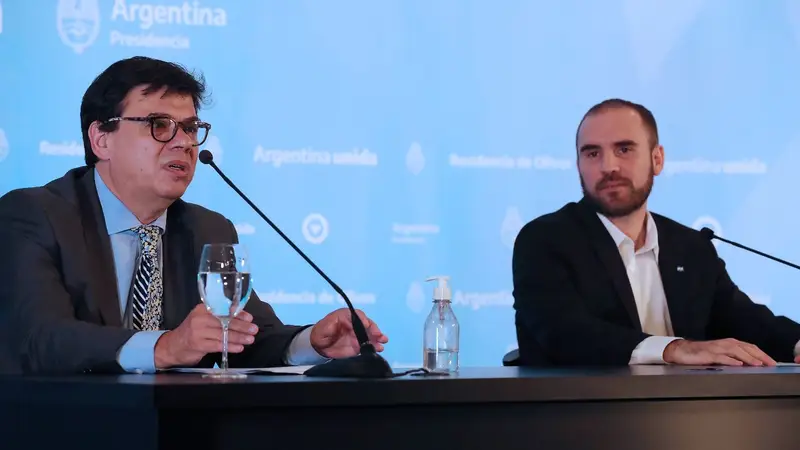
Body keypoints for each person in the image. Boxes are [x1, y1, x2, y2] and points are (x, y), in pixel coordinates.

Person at [0, 56, 388, 375]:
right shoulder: (34, 215)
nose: (184, 142)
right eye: (159, 126)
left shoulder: (206, 228)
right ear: (101, 139)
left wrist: (311, 342)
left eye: (190, 128)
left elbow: (243, 338)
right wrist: (165, 346)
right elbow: (41, 338)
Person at [512, 98, 800, 367]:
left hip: (686, 405)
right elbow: (564, 332)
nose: (608, 166)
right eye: (592, 153)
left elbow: (742, 319)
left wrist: (795, 343)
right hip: (580, 405)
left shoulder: (691, 246)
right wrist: (674, 349)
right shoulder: (544, 240)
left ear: (657, 159)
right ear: (578, 165)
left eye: (624, 149)